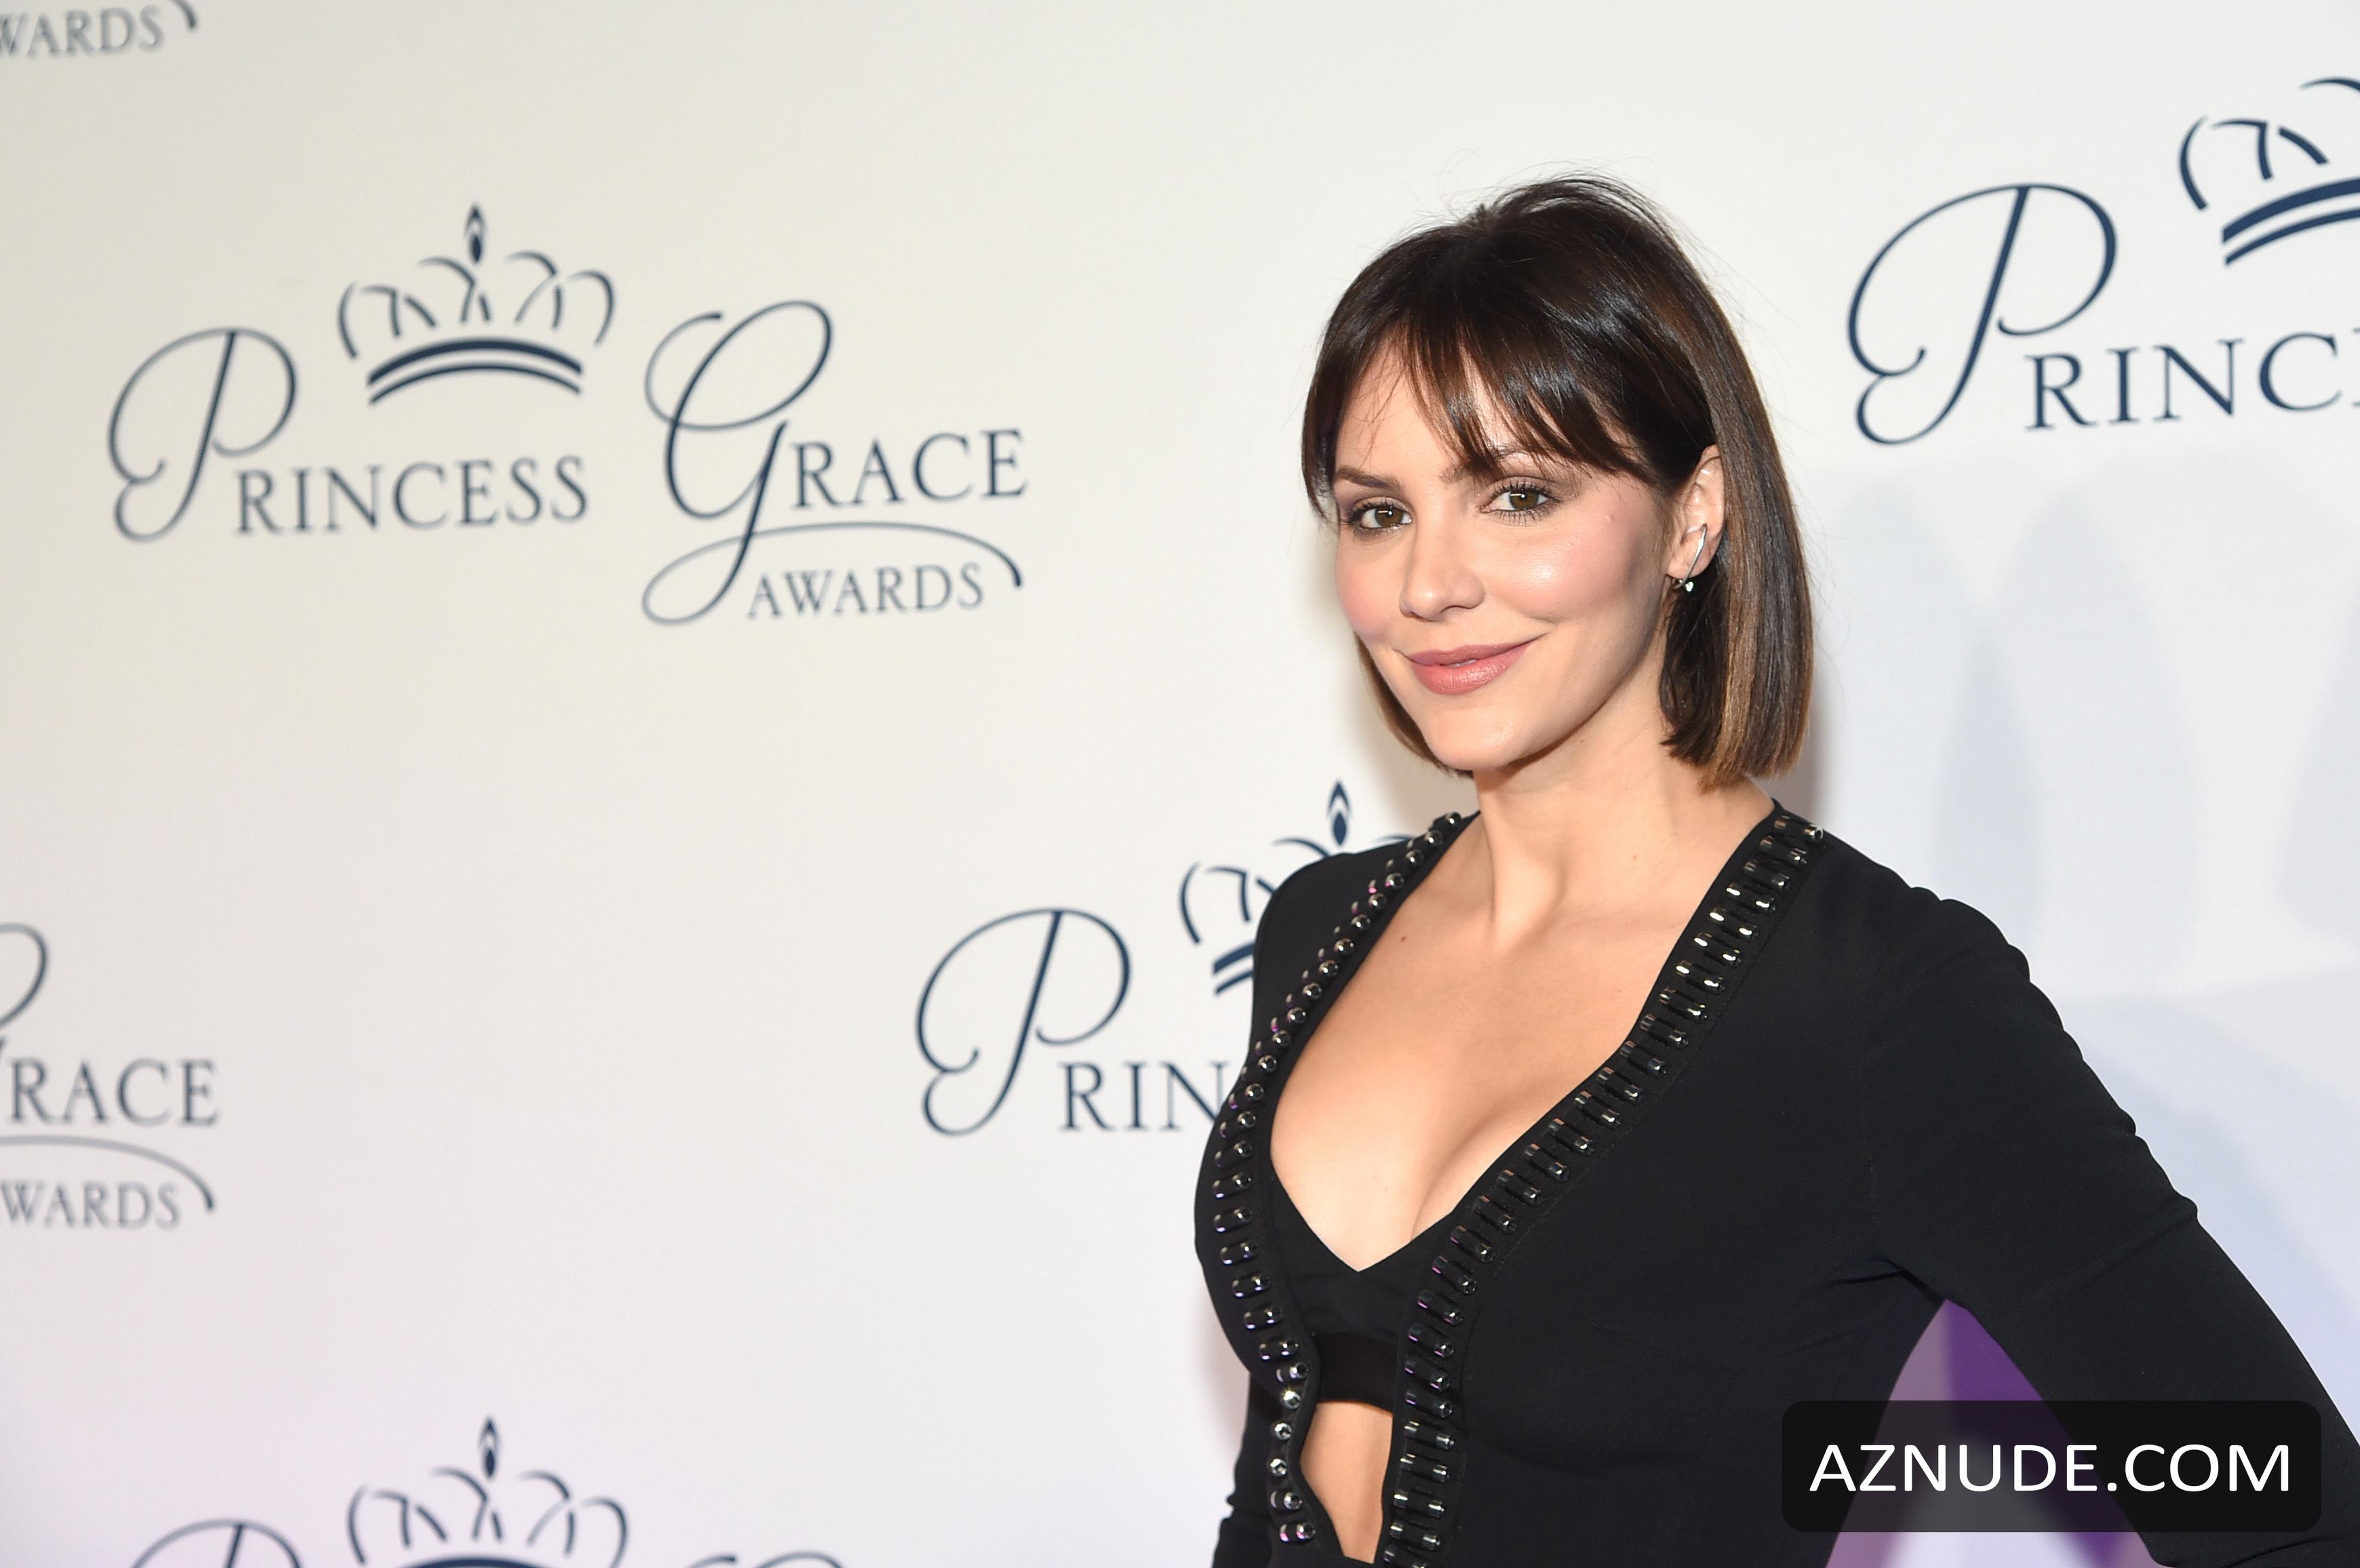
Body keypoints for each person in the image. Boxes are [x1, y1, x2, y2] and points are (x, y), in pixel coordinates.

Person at [1192, 174, 2360, 1567]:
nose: (1428, 585)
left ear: (1693, 515)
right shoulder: (1322, 929)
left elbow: (2287, 1503)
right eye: (1377, 513)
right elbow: (1286, 1465)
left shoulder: (1879, 1004)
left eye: (1519, 495)